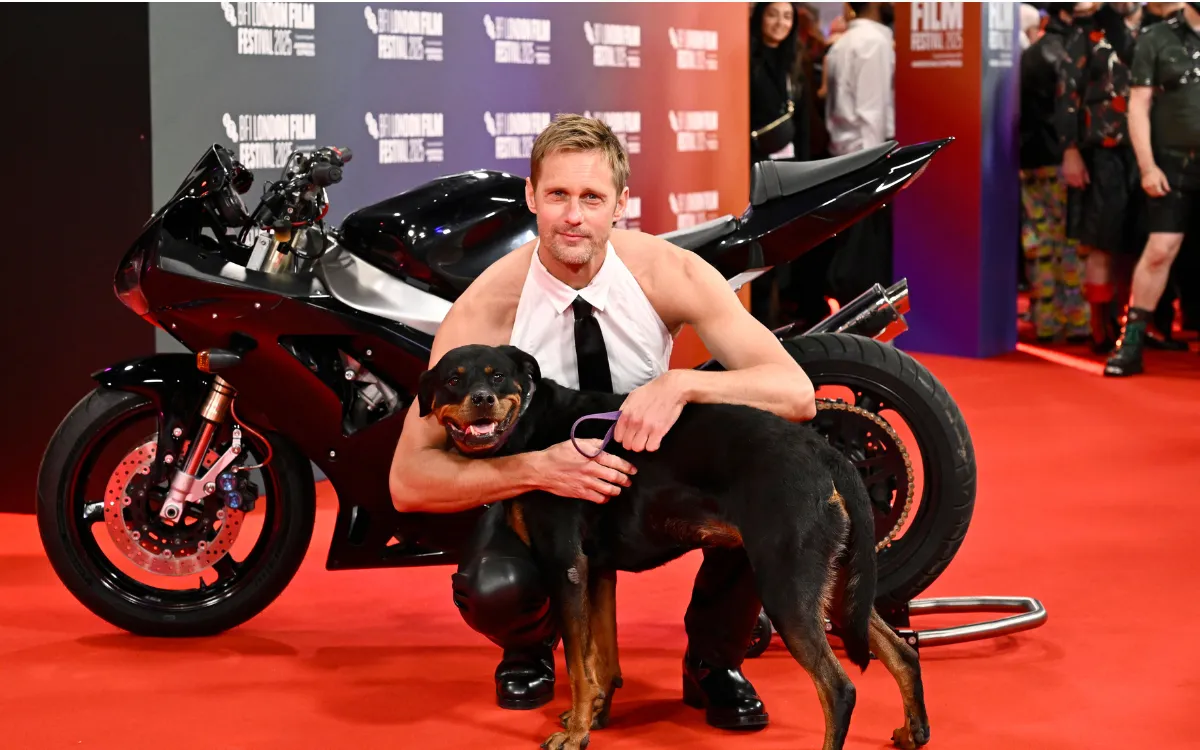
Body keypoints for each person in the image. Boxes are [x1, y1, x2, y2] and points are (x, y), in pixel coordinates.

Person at [389, 114, 817, 728]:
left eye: (592, 198)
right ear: (531, 197)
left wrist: (681, 383)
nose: (573, 216)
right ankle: (531, 644)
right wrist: (538, 467)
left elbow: (794, 393)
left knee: (761, 482)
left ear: (620, 203)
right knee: (493, 587)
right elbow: (409, 479)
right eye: (558, 195)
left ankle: (714, 660)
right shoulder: (485, 310)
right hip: (541, 490)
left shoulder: (667, 273)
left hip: (647, 484)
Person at [1106, 2, 1200, 375]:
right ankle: (1130, 345)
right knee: (1160, 250)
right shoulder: (1156, 37)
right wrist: (1147, 166)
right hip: (1172, 162)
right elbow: (1139, 106)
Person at [1056, 2, 1141, 352]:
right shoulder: (1088, 33)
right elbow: (1066, 93)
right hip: (1103, 152)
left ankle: (1126, 321)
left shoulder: (1153, 31)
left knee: (1134, 247)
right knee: (1102, 243)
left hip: (1144, 152)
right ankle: (1099, 327)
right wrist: (1069, 149)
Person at [1020, 4, 1090, 343]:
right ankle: (1076, 318)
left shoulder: (1032, 53)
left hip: (1031, 161)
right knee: (1070, 242)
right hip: (1063, 162)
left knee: (1039, 241)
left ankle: (1046, 319)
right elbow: (1068, 111)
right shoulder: (1071, 53)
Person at [822, 1, 896, 303]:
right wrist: (878, 168)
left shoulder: (843, 44)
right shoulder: (873, 42)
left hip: (842, 154)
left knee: (853, 251)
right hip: (866, 160)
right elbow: (871, 112)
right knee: (864, 258)